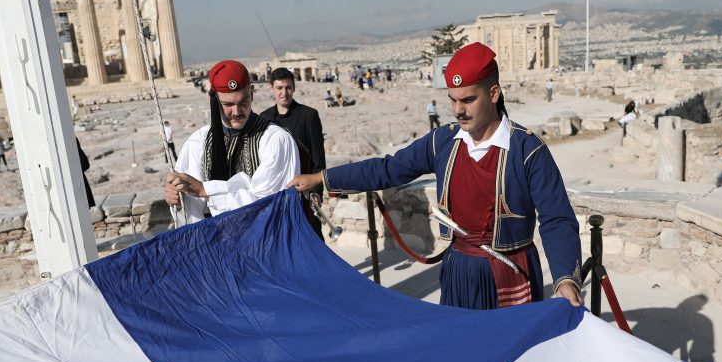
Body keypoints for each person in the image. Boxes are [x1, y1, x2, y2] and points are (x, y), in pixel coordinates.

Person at [291, 42, 582, 310]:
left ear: (494, 94)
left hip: (510, 272)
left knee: (514, 348)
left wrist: (565, 279)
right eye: (452, 100)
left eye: (468, 100)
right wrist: (322, 178)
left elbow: (556, 218)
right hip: (458, 270)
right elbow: (388, 169)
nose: (458, 110)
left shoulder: (528, 149)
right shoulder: (442, 141)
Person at [163, 59, 299, 224]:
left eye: (243, 102)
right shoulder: (198, 142)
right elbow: (192, 211)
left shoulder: (276, 140)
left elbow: (269, 202)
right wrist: (179, 200)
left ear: (252, 93)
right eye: (227, 104)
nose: (236, 111)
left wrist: (206, 190)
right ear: (214, 99)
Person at [260, 67, 327, 239]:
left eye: (288, 87)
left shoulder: (309, 116)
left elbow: (318, 159)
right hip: (277, 196)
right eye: (279, 88)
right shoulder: (263, 119)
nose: (284, 93)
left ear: (294, 88)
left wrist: (316, 192)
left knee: (312, 241)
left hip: (305, 193)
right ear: (271, 88)